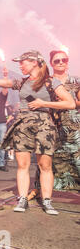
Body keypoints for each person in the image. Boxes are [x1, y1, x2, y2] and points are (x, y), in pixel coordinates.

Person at [0, 50, 75, 215]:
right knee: (22, 165)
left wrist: (44, 103)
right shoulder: (21, 82)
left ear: (34, 62)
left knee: (45, 165)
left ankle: (47, 201)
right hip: (23, 124)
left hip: (44, 124)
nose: (20, 65)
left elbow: (70, 103)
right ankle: (22, 198)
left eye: (23, 62)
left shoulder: (51, 82)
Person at [47, 50, 80, 190]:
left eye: (64, 60)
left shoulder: (76, 80)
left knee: (76, 156)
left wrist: (68, 101)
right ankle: (52, 189)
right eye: (57, 60)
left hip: (74, 126)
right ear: (51, 63)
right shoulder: (46, 81)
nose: (61, 62)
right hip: (52, 124)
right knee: (54, 157)